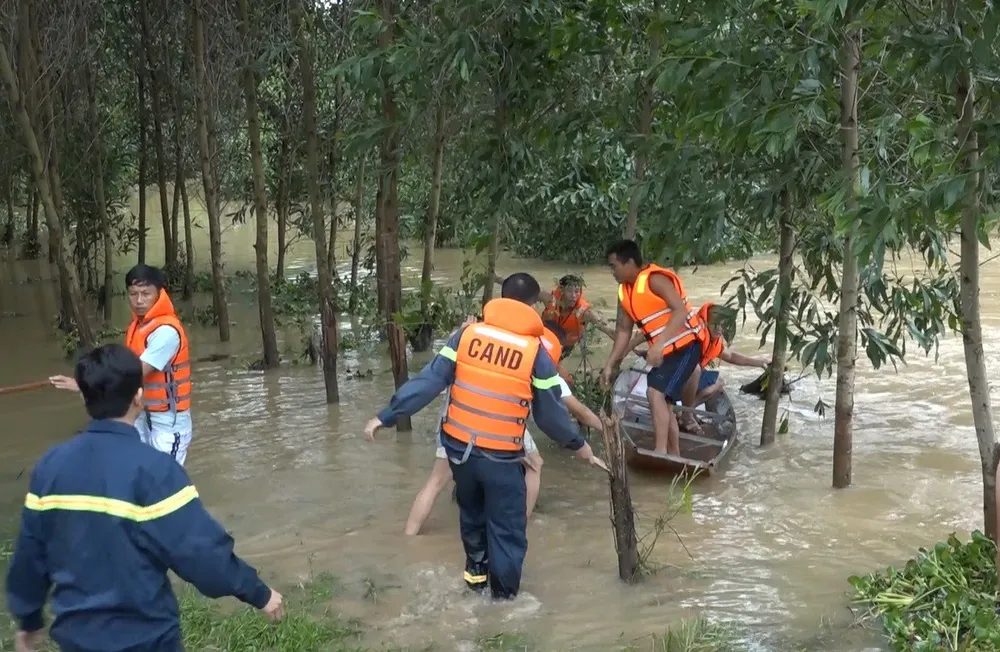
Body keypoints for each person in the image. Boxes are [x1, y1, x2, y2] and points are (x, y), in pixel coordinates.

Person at [5, 344, 283, 652]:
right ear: (139, 396)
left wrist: (28, 619)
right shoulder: (155, 469)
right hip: (146, 638)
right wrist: (258, 593)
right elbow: (200, 553)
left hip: (76, 637)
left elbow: (30, 555)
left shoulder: (50, 466)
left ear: (84, 397)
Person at [365, 273, 600, 599]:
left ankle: (474, 592)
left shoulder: (466, 336)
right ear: (533, 307)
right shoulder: (535, 353)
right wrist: (579, 445)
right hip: (501, 458)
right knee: (506, 532)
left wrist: (386, 416)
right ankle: (503, 607)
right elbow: (549, 416)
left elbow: (429, 382)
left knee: (473, 526)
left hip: (459, 453)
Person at [404, 320, 604, 536]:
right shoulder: (541, 367)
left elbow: (446, 364)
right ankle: (519, 527)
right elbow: (576, 412)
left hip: (457, 412)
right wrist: (596, 436)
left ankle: (409, 536)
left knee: (438, 480)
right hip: (498, 419)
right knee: (534, 464)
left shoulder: (489, 342)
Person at [50, 264, 195, 465]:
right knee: (137, 469)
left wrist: (85, 384)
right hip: (142, 413)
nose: (139, 300)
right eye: (133, 294)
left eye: (146, 293)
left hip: (168, 421)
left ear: (160, 293)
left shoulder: (166, 332)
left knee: (163, 478)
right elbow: (122, 365)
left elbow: (133, 373)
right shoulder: (139, 325)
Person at [601, 240, 704, 456]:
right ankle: (673, 454)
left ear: (629, 262)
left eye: (614, 266)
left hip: (686, 347)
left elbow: (680, 311)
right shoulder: (625, 291)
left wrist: (659, 344)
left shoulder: (655, 279)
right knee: (662, 402)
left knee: (655, 394)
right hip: (666, 352)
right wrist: (610, 364)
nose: (612, 272)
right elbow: (623, 331)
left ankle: (660, 451)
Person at [492, 273, 616, 359]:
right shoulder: (550, 299)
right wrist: (496, 278)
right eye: (569, 291)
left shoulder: (586, 312)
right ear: (561, 291)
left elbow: (608, 329)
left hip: (566, 345)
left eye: (577, 291)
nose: (574, 296)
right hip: (544, 340)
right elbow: (522, 288)